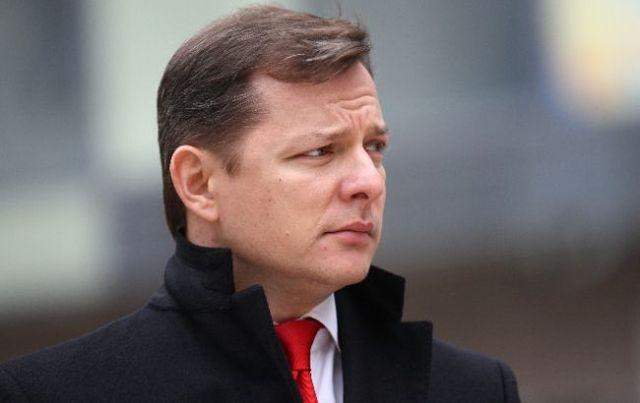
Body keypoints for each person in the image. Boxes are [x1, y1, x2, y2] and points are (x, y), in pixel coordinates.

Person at [0, 5, 520, 402]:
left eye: (375, 147)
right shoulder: (50, 393)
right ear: (199, 184)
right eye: (320, 151)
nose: (369, 181)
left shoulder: (473, 389)